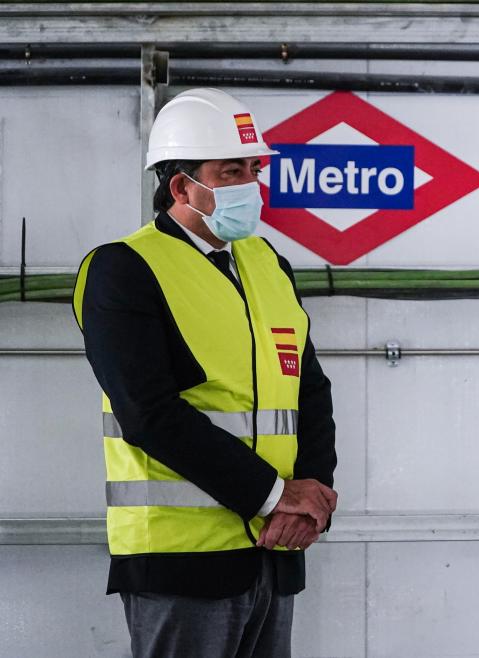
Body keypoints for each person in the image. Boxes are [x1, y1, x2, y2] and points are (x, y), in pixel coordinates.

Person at [72, 88, 339, 658]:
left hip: (275, 553)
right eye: (231, 170)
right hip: (181, 561)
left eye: (253, 167)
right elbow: (149, 414)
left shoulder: (267, 263)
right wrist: (275, 497)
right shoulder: (124, 270)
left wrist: (313, 496)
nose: (250, 182)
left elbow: (308, 389)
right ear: (182, 187)